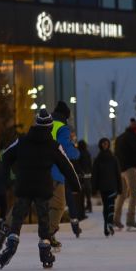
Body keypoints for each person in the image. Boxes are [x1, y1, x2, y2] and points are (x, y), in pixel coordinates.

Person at [0, 109, 81, 270]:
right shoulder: (53, 145)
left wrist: (5, 176)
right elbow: (67, 166)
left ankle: (11, 243)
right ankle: (45, 251)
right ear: (49, 126)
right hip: (43, 188)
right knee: (44, 219)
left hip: (24, 185)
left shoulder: (22, 141)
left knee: (18, 216)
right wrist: (76, 186)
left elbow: (6, 155)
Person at [46, 101, 81, 249]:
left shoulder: (45, 124)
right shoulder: (62, 128)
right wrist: (77, 152)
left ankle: (7, 229)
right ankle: (48, 234)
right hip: (55, 171)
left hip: (39, 170)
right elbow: (65, 149)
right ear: (66, 116)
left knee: (28, 202)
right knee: (59, 205)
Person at [113, 119, 136, 230]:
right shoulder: (132, 138)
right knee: (134, 194)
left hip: (120, 170)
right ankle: (130, 220)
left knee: (122, 195)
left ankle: (116, 219)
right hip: (130, 169)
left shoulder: (119, 138)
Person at [90, 137, 122, 236]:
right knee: (109, 206)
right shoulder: (112, 158)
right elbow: (95, 175)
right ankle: (109, 224)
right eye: (104, 144)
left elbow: (95, 175)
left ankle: (107, 226)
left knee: (107, 207)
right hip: (110, 186)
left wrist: (94, 188)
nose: (105, 145)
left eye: (106, 144)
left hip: (106, 186)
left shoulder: (99, 159)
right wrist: (94, 188)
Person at [74, 139, 93, 216]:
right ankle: (89, 206)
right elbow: (90, 164)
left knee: (81, 192)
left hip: (81, 175)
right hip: (88, 175)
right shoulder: (87, 153)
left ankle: (82, 207)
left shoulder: (78, 153)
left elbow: (77, 164)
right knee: (88, 192)